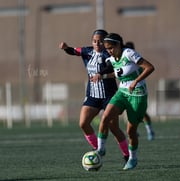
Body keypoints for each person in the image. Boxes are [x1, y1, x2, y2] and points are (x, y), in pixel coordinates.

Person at [59, 29, 129, 161]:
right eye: (95, 41)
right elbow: (73, 51)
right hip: (92, 96)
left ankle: (127, 154)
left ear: (105, 42)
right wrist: (66, 48)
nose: (97, 43)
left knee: (114, 128)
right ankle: (98, 149)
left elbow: (109, 67)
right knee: (83, 123)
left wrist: (100, 73)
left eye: (100, 41)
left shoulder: (108, 54)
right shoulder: (87, 51)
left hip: (109, 96)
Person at [96, 33, 155, 170]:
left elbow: (150, 67)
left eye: (111, 47)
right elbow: (119, 73)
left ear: (118, 45)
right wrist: (102, 76)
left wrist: (136, 81)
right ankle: (101, 149)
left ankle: (133, 158)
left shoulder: (129, 53)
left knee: (131, 131)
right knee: (105, 117)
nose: (109, 51)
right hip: (122, 92)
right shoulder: (111, 58)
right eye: (107, 48)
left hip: (138, 94)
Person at [125, 41, 155, 141]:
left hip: (138, 89)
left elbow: (147, 69)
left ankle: (149, 130)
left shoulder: (137, 60)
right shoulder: (124, 59)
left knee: (142, 113)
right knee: (129, 110)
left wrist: (136, 80)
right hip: (126, 90)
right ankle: (134, 131)